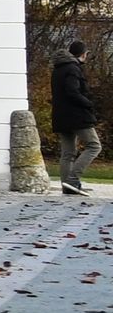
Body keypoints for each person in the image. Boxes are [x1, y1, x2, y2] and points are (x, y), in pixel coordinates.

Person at [54, 35, 99, 198]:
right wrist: (88, 103)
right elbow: (72, 92)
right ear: (82, 54)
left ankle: (67, 187)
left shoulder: (58, 68)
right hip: (77, 116)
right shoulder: (73, 69)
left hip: (61, 116)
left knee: (68, 153)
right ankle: (73, 181)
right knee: (94, 146)